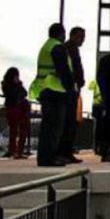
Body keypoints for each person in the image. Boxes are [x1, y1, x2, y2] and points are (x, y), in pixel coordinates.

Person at [29, 23, 74, 167]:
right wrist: (70, 88)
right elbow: (63, 70)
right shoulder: (57, 47)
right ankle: (49, 158)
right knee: (54, 128)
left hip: (45, 90)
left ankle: (45, 157)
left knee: (48, 126)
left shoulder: (46, 46)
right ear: (61, 34)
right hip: (55, 91)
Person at [58, 27, 85, 164]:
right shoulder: (68, 48)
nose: (83, 40)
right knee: (67, 123)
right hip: (69, 90)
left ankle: (68, 152)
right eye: (81, 37)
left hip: (74, 89)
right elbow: (69, 68)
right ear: (73, 36)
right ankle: (63, 152)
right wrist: (76, 81)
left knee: (71, 123)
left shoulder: (73, 49)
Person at [1, 67, 30, 159]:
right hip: (13, 108)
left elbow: (25, 93)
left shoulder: (18, 85)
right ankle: (13, 150)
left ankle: (18, 151)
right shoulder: (7, 85)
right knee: (14, 130)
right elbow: (12, 94)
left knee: (22, 129)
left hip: (21, 109)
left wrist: (19, 85)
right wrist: (18, 87)